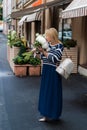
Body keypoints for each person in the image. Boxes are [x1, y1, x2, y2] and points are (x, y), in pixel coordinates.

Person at [37, 28, 64, 122]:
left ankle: (54, 114)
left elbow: (55, 58)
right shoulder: (47, 45)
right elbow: (42, 57)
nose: (45, 37)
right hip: (46, 70)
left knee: (53, 93)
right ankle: (45, 115)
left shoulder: (59, 46)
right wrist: (38, 52)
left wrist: (44, 52)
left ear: (52, 36)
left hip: (54, 72)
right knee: (45, 93)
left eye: (47, 36)